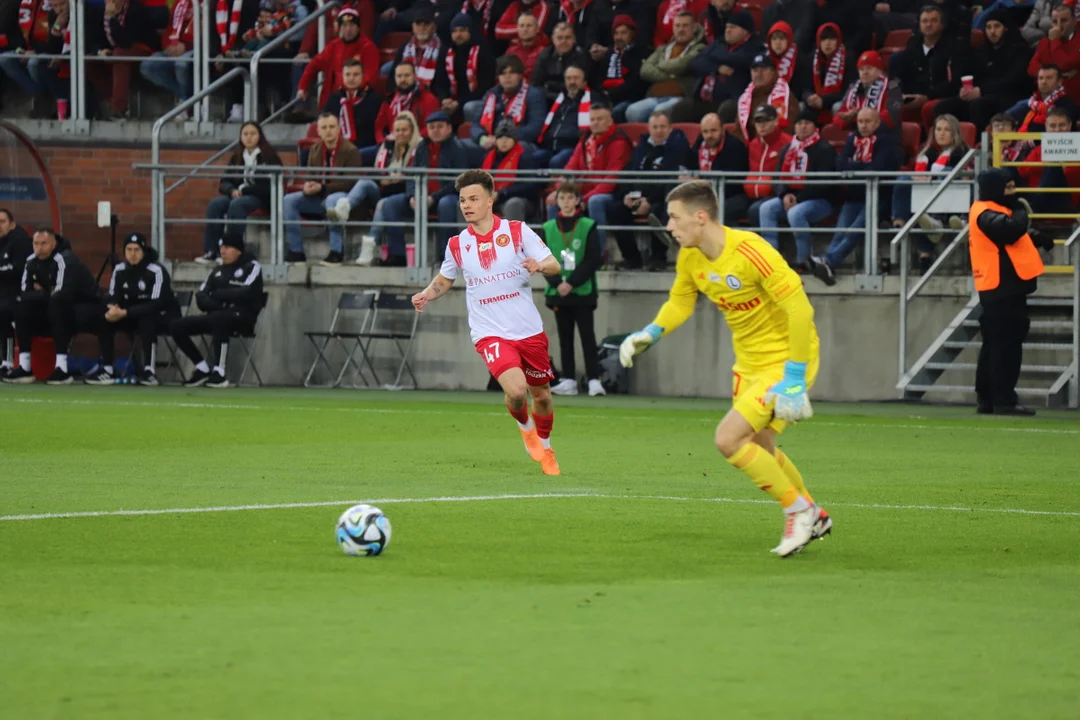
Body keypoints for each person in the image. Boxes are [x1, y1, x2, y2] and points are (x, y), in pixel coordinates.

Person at [618, 180, 832, 557]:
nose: (669, 226)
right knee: (759, 444)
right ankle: (814, 512)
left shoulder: (752, 252)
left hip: (786, 360)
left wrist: (795, 378)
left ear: (701, 217)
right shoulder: (691, 256)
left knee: (728, 440)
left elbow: (800, 309)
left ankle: (799, 511)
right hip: (748, 362)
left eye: (674, 218)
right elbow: (680, 302)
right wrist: (650, 332)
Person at [411, 170, 563, 475]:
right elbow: (446, 278)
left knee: (542, 395)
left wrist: (539, 265)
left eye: (473, 199)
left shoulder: (518, 232)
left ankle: (545, 446)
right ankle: (525, 427)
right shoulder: (457, 244)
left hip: (528, 330)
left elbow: (555, 265)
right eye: (462, 200)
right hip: (489, 331)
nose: (466, 205)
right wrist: (427, 294)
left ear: (490, 201)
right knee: (517, 391)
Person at [968, 168, 1054, 416]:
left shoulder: (992, 210)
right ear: (995, 189)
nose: (1013, 193)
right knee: (1006, 346)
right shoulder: (985, 212)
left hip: (1003, 287)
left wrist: (1038, 238)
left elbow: (1014, 236)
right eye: (1008, 188)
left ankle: (987, 398)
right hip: (1001, 287)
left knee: (994, 344)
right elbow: (1011, 230)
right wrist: (1021, 211)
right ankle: (1004, 399)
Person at [811, 107, 900, 284]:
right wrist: (859, 166)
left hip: (879, 197)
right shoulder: (853, 138)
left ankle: (828, 261)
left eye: (868, 122)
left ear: (877, 122)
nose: (864, 126)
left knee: (854, 231)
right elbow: (841, 163)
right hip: (854, 195)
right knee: (841, 231)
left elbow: (878, 167)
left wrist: (854, 165)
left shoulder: (888, 140)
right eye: (860, 122)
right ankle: (827, 264)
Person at [5, 229, 102, 385]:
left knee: (57, 306)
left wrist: (42, 292)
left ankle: (62, 369)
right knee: (22, 307)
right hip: (51, 308)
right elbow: (24, 293)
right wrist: (46, 293)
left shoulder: (65, 259)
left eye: (44, 243)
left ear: (53, 244)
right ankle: (25, 367)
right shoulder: (30, 261)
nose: (39, 248)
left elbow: (62, 294)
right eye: (36, 244)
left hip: (82, 308)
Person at [169, 231, 264, 389]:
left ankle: (220, 373)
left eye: (227, 247)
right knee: (176, 325)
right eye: (221, 247)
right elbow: (201, 296)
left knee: (220, 318)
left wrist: (217, 295)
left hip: (242, 317)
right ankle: (202, 368)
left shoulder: (251, 266)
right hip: (216, 315)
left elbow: (246, 292)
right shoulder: (217, 270)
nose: (222, 251)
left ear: (238, 249)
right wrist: (220, 302)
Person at [87, 233, 182, 386]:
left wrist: (125, 312)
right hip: (130, 315)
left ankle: (149, 372)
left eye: (136, 250)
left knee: (147, 319)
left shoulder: (156, 270)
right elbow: (112, 296)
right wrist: (113, 308)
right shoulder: (119, 269)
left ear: (143, 250)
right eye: (129, 249)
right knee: (104, 319)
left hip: (161, 316)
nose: (132, 254)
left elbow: (156, 303)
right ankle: (107, 370)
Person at [543, 182, 604, 397]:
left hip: (582, 291)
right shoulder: (548, 227)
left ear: (578, 200)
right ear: (556, 201)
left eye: (570, 198)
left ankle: (594, 379)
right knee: (564, 337)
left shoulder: (588, 225)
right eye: (562, 198)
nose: (566, 202)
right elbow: (543, 258)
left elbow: (593, 257)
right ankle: (568, 379)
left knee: (587, 335)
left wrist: (572, 282)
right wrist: (557, 282)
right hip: (559, 291)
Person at [283, 112, 363, 265]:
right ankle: (296, 251)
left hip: (343, 198)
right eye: (324, 127)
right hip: (319, 196)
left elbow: (352, 182)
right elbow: (311, 175)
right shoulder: (315, 150)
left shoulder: (351, 150)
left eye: (332, 127)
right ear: (318, 131)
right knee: (289, 200)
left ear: (339, 129)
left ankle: (336, 251)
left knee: (332, 200)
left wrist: (323, 188)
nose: (328, 131)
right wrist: (308, 185)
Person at [199, 121, 282, 264]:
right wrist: (231, 190)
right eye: (245, 134)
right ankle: (212, 250)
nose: (249, 137)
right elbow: (224, 182)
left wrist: (243, 190)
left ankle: (234, 250)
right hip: (237, 195)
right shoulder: (237, 156)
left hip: (259, 197)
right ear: (241, 137)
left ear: (260, 136)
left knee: (237, 205)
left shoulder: (269, 156)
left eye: (253, 134)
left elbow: (269, 186)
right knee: (215, 204)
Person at [481, 118, 538, 221]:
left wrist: (502, 193)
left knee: (513, 204)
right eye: (500, 137)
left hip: (517, 199)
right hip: (491, 199)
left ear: (514, 139)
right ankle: (469, 237)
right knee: (467, 203)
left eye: (508, 137)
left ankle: (514, 237)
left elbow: (529, 185)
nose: (504, 141)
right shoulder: (488, 156)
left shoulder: (524, 156)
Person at [0, 209, 32, 378]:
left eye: (2, 221)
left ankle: (7, 362)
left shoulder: (19, 241)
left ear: (12, 225)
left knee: (4, 312)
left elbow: (19, 268)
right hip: (4, 294)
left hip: (19, 294)